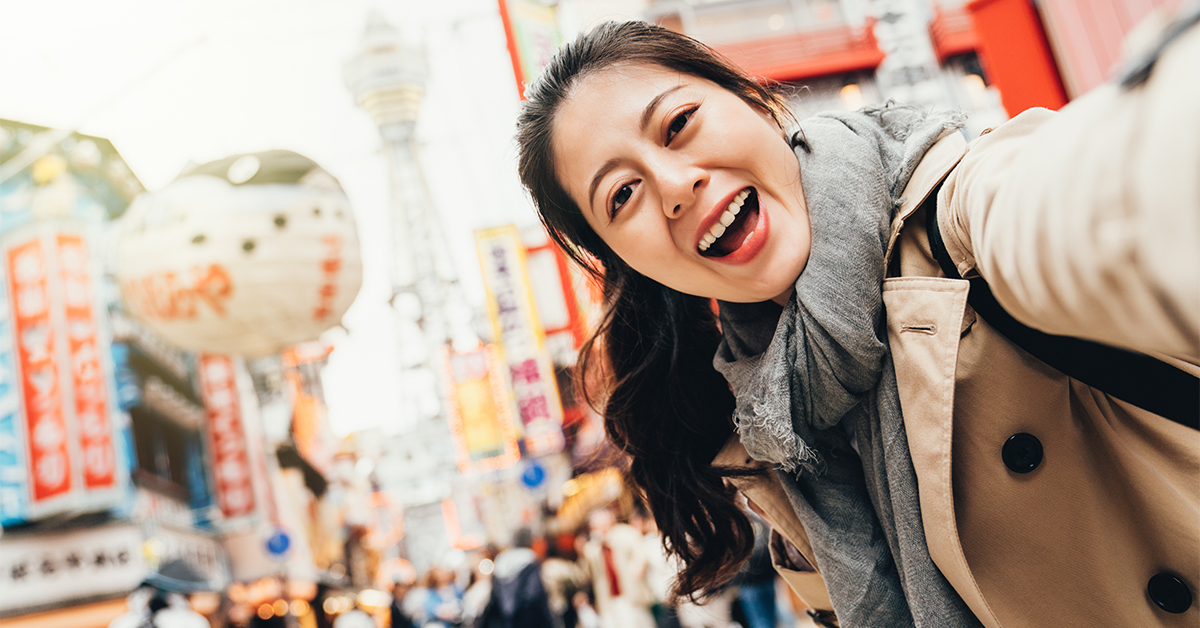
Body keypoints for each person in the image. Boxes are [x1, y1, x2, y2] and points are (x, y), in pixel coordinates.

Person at [515, 14, 1198, 628]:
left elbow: (1095, 203)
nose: (673, 186)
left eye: (679, 124)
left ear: (757, 102)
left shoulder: (959, 224)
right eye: (623, 194)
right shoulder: (764, 428)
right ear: (624, 262)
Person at [580, 508, 656, 628]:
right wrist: (595, 542)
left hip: (630, 593)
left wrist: (638, 565)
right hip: (608, 599)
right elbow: (587, 569)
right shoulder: (594, 545)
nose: (601, 527)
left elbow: (641, 554)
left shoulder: (626, 533)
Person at [477, 528, 557, 628]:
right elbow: (535, 597)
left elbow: (493, 602)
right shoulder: (530, 562)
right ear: (529, 541)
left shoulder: (499, 564)